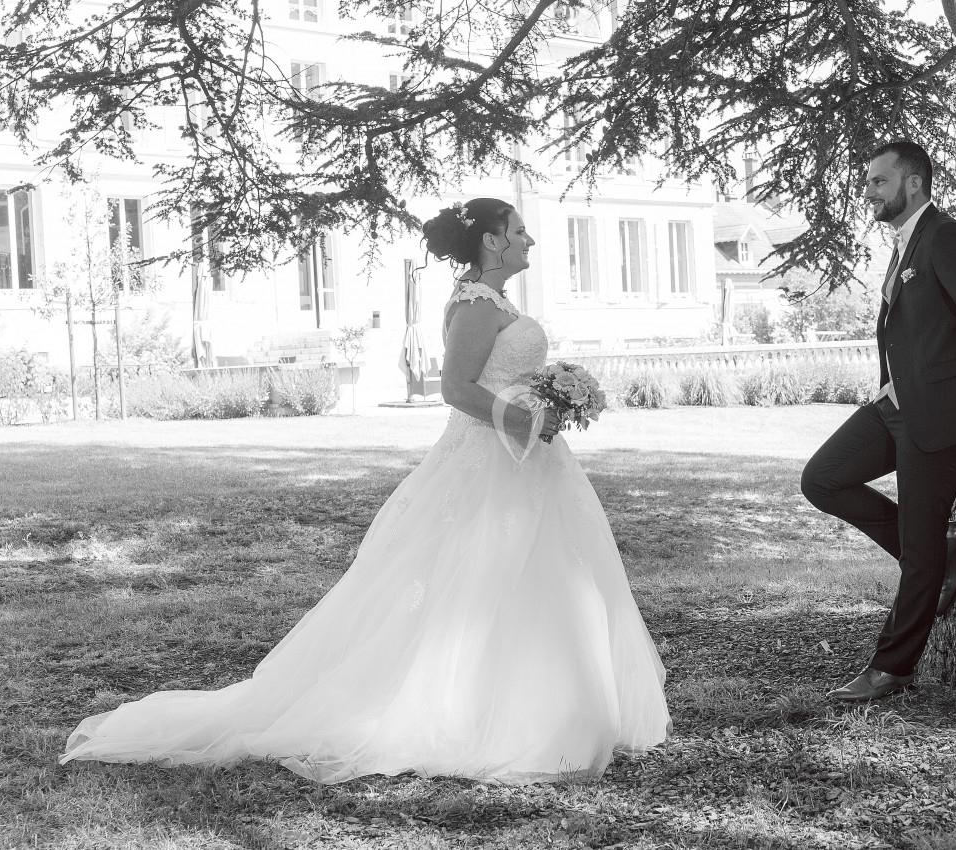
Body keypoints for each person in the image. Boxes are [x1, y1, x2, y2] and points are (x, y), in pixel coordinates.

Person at [60, 198, 670, 784]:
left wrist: (548, 402)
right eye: (518, 231)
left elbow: (493, 379)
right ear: (491, 240)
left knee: (541, 576)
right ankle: (481, 717)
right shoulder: (476, 303)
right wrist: (524, 418)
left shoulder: (499, 302)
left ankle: (547, 702)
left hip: (530, 460)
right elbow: (455, 388)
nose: (529, 239)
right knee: (476, 574)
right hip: (488, 460)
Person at [801, 142, 956, 702]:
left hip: (940, 414)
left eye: (879, 181)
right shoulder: (907, 242)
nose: (868, 191)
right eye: (868, 181)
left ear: (913, 183)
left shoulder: (945, 236)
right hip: (895, 405)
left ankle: (892, 667)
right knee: (821, 480)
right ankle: (939, 547)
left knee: (919, 554)